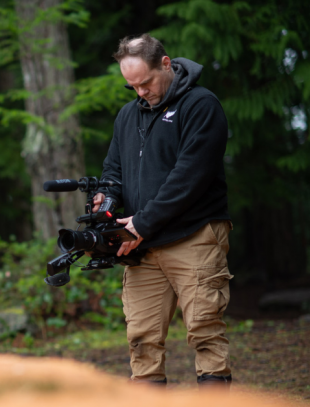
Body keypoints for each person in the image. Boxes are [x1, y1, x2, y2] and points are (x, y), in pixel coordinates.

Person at [92, 34, 233, 388]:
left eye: (146, 83)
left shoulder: (201, 105)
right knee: (141, 340)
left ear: (165, 64)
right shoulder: (127, 116)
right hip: (143, 246)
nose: (140, 92)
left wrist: (142, 221)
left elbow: (190, 177)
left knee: (205, 330)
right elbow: (113, 171)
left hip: (194, 236)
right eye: (132, 86)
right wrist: (107, 199)